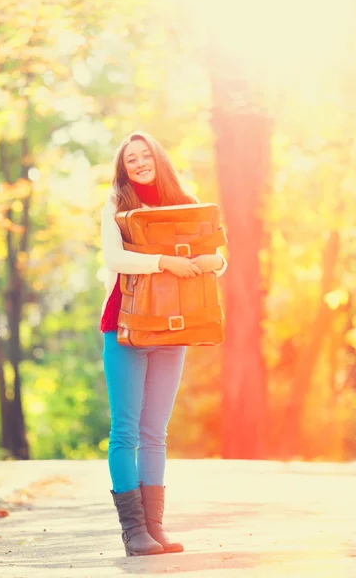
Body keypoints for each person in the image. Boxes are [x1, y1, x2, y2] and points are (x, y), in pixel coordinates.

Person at [99, 131, 227, 557]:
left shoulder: (187, 202)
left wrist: (217, 262)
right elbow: (114, 260)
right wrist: (163, 262)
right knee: (126, 430)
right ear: (124, 168)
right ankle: (134, 532)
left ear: (158, 158)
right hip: (126, 326)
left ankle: (154, 528)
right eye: (130, 158)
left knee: (155, 432)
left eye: (144, 154)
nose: (138, 162)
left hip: (176, 327)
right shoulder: (117, 204)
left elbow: (215, 254)